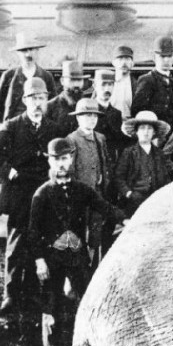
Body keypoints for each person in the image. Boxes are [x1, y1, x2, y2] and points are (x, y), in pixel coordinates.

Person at [29, 138, 127, 346]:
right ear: (50, 162)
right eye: (56, 160)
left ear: (71, 159)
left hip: (77, 258)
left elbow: (104, 207)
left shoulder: (82, 190)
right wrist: (39, 260)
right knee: (51, 310)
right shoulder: (42, 194)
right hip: (52, 259)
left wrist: (127, 220)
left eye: (65, 158)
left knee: (88, 303)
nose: (61, 164)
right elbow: (33, 232)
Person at [0, 77, 67, 317]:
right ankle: (10, 295)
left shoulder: (53, 129)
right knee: (16, 246)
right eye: (33, 98)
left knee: (41, 241)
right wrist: (10, 173)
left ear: (46, 100)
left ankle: (33, 295)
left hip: (43, 193)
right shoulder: (11, 126)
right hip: (19, 194)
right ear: (24, 100)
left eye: (42, 98)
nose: (37, 103)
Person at [66, 98, 113, 267]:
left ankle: (93, 270)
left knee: (96, 235)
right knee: (78, 236)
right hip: (80, 197)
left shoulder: (101, 138)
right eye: (87, 116)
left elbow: (106, 164)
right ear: (78, 118)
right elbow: (69, 171)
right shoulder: (72, 139)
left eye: (94, 116)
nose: (92, 119)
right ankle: (76, 274)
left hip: (97, 195)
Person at [0, 33, 57, 128]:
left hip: (39, 129)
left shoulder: (46, 77)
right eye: (24, 50)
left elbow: (54, 108)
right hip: (13, 129)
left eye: (32, 49)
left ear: (37, 51)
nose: (28, 54)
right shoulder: (9, 76)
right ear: (18, 53)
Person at [114, 111, 172, 215]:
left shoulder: (159, 154)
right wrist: (129, 193)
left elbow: (165, 178)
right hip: (133, 201)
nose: (146, 132)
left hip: (155, 200)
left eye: (149, 128)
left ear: (154, 132)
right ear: (136, 132)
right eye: (142, 128)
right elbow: (119, 177)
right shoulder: (128, 152)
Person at [133, 35, 173, 132]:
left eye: (169, 56)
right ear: (154, 57)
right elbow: (137, 111)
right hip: (153, 134)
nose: (166, 60)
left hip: (172, 135)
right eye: (162, 56)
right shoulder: (147, 80)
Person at [91, 68, 129, 164]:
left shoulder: (116, 113)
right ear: (95, 86)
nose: (107, 89)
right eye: (103, 84)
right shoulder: (89, 111)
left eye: (110, 84)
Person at [46, 60, 90, 133]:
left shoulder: (89, 106)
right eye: (72, 80)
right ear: (62, 81)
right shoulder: (49, 107)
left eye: (79, 80)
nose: (76, 84)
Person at [108, 45, 136, 120]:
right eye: (120, 59)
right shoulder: (105, 83)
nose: (124, 62)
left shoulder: (138, 84)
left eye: (127, 59)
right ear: (113, 62)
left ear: (132, 63)